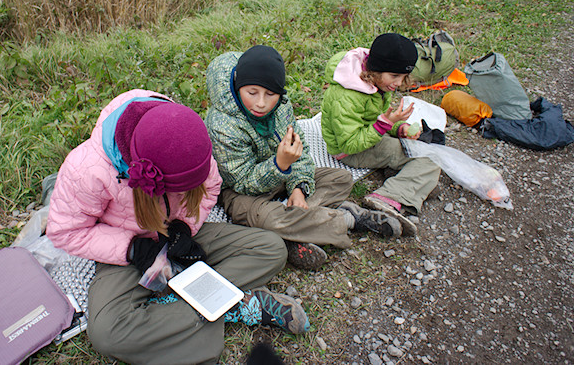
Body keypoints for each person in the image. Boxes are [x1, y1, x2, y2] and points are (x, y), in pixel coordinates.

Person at [46, 89, 309, 365]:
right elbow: (64, 231)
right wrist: (132, 249)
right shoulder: (87, 170)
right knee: (106, 332)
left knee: (270, 250)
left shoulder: (186, 134)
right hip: (128, 248)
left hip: (175, 234)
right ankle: (234, 304)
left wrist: (185, 227)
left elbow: (210, 187)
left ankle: (179, 313)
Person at [204, 45, 401, 271]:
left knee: (341, 178)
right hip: (239, 192)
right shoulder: (222, 125)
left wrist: (298, 187)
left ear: (280, 93)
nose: (261, 103)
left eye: (270, 94)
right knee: (265, 219)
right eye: (252, 93)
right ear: (239, 87)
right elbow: (241, 180)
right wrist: (279, 165)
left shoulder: (281, 107)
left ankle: (295, 232)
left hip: (281, 171)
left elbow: (301, 150)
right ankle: (347, 219)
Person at [320, 33, 442, 234]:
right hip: (349, 151)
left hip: (367, 137)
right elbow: (349, 144)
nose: (397, 83)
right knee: (429, 160)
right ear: (376, 68)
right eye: (394, 76)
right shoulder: (348, 95)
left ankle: (406, 179)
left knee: (424, 151)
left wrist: (398, 127)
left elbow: (375, 118)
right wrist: (385, 125)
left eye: (403, 77)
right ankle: (388, 197)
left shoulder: (376, 82)